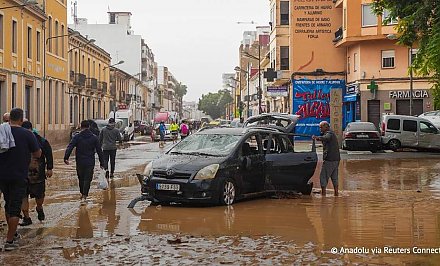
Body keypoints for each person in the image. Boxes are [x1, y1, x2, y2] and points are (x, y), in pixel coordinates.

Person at [0, 108, 41, 251]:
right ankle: (10, 241)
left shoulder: (2, 131)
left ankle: (14, 233)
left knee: (8, 203)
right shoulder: (27, 134)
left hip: (2, 175)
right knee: (15, 209)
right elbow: (37, 153)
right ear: (21, 119)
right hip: (18, 176)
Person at [20, 121, 53, 226]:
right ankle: (27, 217)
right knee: (23, 196)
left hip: (38, 176)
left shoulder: (41, 141)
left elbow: (49, 154)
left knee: (39, 197)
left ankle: (39, 207)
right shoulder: (18, 140)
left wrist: (49, 168)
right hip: (22, 175)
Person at [64, 120, 105, 205]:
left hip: (80, 161)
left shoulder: (77, 137)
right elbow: (99, 151)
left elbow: (70, 146)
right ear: (89, 127)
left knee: (81, 178)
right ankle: (84, 195)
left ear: (81, 127)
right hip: (90, 162)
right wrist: (102, 163)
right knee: (87, 179)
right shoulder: (94, 138)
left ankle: (82, 193)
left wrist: (66, 157)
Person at [312, 121, 341, 196]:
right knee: (334, 177)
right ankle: (336, 194)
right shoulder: (331, 133)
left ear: (326, 126)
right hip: (336, 159)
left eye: (321, 127)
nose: (320, 129)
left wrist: (317, 138)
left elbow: (326, 138)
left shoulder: (329, 133)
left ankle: (323, 195)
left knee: (323, 177)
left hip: (330, 159)